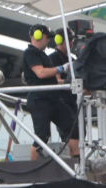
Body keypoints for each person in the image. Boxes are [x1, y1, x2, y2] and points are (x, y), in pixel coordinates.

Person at [20, 25, 77, 159]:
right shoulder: (30, 53)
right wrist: (61, 68)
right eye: (47, 37)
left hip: (53, 99)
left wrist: (70, 83)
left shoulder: (43, 55)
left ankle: (76, 162)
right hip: (39, 100)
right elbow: (40, 73)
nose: (48, 41)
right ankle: (33, 171)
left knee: (72, 126)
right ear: (38, 35)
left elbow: (53, 80)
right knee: (42, 137)